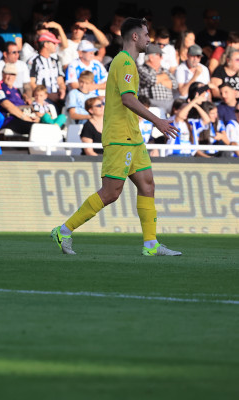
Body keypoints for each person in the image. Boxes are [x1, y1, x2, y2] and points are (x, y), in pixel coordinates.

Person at [51, 17, 182, 257]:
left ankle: (151, 244)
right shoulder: (124, 62)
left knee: (147, 185)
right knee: (111, 192)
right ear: (134, 36)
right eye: (145, 35)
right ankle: (64, 230)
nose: (148, 39)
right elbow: (128, 99)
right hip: (120, 137)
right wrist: (158, 121)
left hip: (133, 137)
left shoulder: (127, 62)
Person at [0, 63, 39, 135]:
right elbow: (6, 104)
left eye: (12, 74)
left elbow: (25, 106)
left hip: (22, 118)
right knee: (35, 128)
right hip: (9, 119)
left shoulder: (16, 90)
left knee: (44, 125)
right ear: (2, 74)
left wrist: (35, 116)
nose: (9, 77)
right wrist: (25, 117)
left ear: (16, 76)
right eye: (7, 74)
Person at [28, 32, 66, 103]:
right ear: (46, 44)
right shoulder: (33, 61)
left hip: (58, 98)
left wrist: (62, 90)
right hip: (43, 100)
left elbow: (60, 81)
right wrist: (47, 95)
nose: (56, 45)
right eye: (54, 43)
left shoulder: (56, 61)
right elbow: (31, 83)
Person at [138, 43, 174, 115]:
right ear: (151, 57)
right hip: (152, 104)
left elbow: (174, 84)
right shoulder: (141, 69)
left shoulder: (164, 69)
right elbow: (152, 80)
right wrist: (164, 77)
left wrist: (159, 79)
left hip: (169, 104)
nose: (162, 58)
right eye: (160, 55)